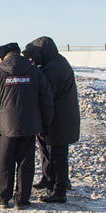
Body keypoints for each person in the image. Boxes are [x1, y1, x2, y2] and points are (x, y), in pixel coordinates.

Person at [0, 43, 53, 209]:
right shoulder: (35, 72)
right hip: (30, 124)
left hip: (6, 125)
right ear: (18, 54)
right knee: (26, 162)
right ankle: (22, 199)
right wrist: (46, 122)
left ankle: (3, 198)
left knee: (6, 160)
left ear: (4, 56)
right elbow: (46, 99)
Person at [24, 37, 80, 203]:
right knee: (50, 151)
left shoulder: (53, 68)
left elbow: (46, 95)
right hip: (58, 116)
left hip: (58, 119)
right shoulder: (55, 62)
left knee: (58, 154)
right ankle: (49, 179)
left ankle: (59, 190)